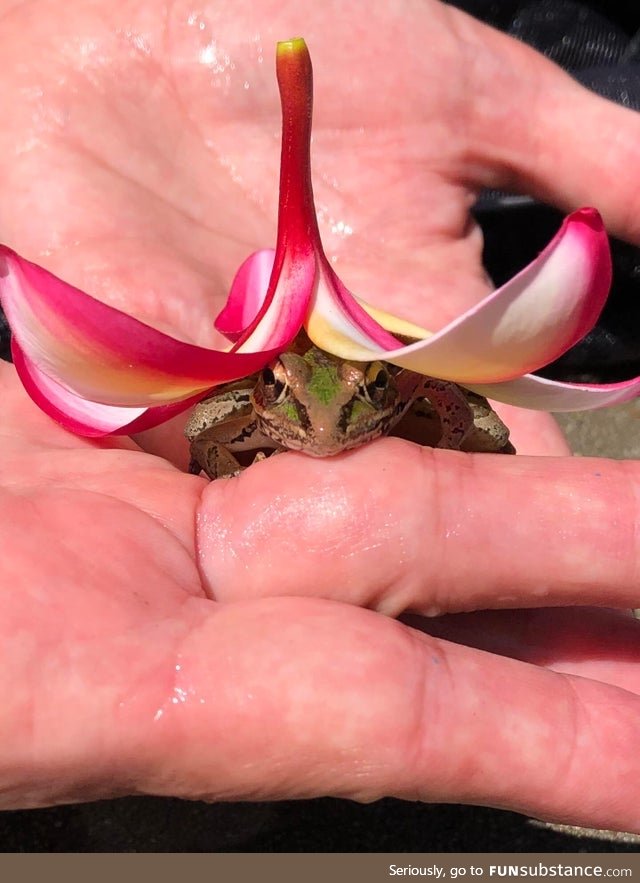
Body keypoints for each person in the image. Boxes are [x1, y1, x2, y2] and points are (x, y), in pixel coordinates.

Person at [0, 0, 639, 834]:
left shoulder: (406, 388)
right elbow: (207, 427)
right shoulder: (255, 397)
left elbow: (458, 405)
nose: (328, 432)